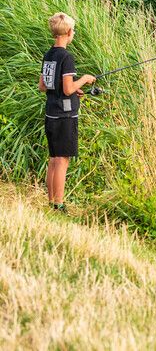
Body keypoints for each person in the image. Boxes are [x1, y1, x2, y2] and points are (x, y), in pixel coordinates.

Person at [38, 13, 96, 213]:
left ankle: (51, 202)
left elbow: (43, 86)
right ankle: (59, 205)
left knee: (54, 159)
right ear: (69, 32)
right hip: (65, 115)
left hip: (51, 112)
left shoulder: (49, 55)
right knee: (62, 160)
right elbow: (68, 89)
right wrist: (84, 80)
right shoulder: (66, 57)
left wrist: (72, 87)